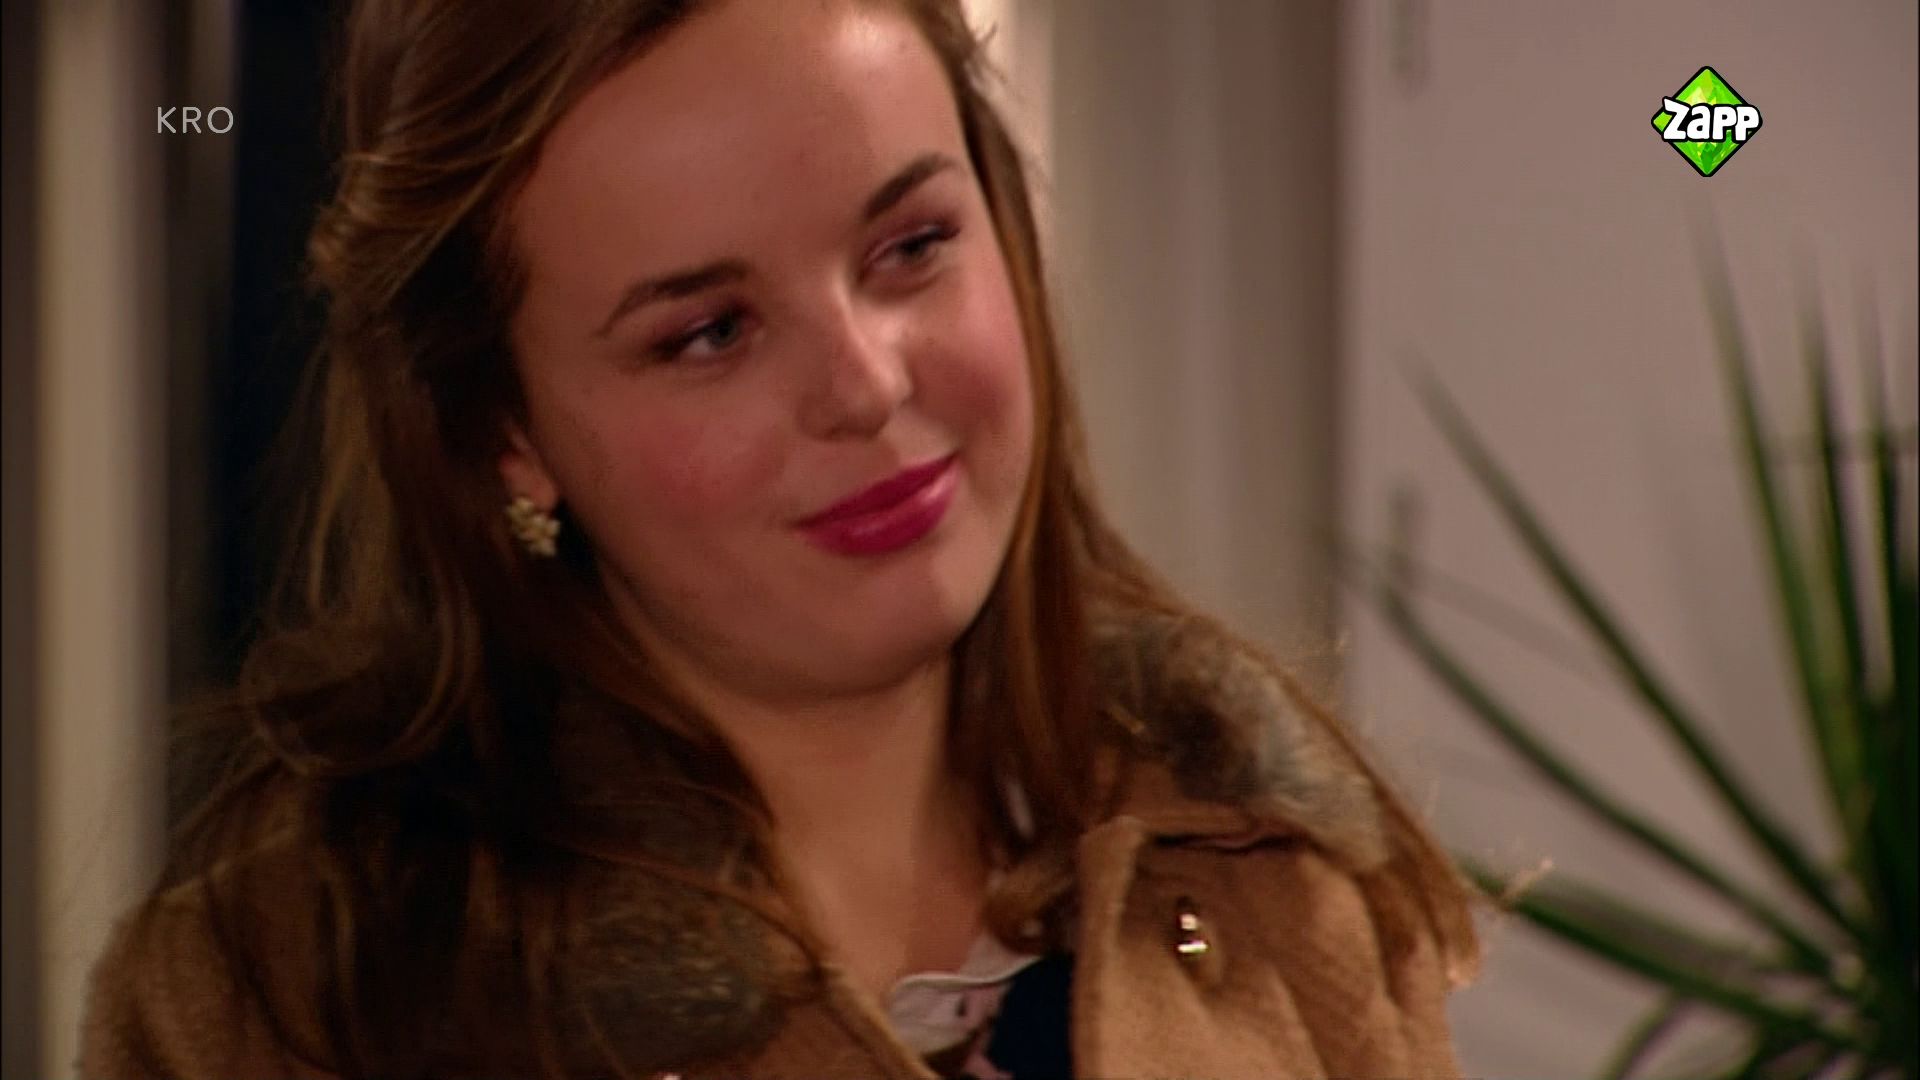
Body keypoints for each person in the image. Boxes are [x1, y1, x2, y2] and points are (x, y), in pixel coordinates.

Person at [79, 0, 1480, 1076]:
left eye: (911, 248)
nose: (864, 384)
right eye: (710, 333)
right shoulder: (289, 998)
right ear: (505, 433)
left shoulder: (1279, 877)